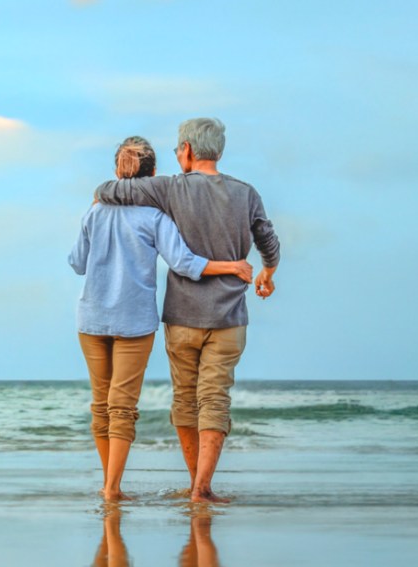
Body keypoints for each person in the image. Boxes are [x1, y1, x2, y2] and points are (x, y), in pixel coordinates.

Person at [93, 117, 280, 503]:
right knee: (215, 399)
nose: (179, 154)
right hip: (229, 317)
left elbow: (109, 190)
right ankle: (202, 488)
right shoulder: (246, 193)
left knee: (185, 400)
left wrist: (104, 194)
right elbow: (268, 239)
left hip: (181, 316)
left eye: (179, 148)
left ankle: (195, 481)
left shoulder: (169, 189)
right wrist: (267, 273)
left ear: (189, 151)